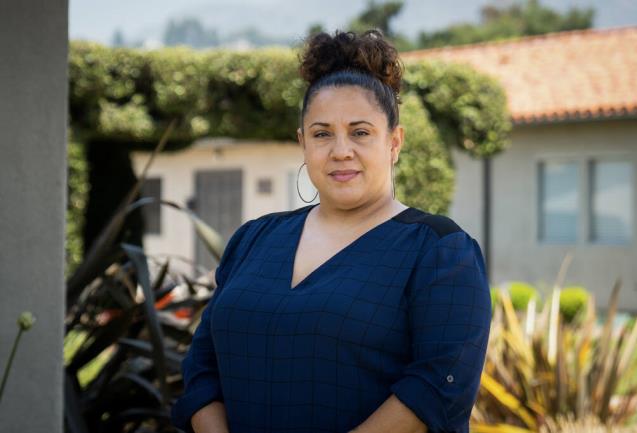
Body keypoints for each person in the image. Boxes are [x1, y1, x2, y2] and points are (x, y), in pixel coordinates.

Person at [170, 29, 492, 433]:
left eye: (360, 132)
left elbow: (435, 389)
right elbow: (202, 369)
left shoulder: (440, 251)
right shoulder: (253, 240)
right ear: (303, 143)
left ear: (394, 142)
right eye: (322, 134)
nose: (341, 150)